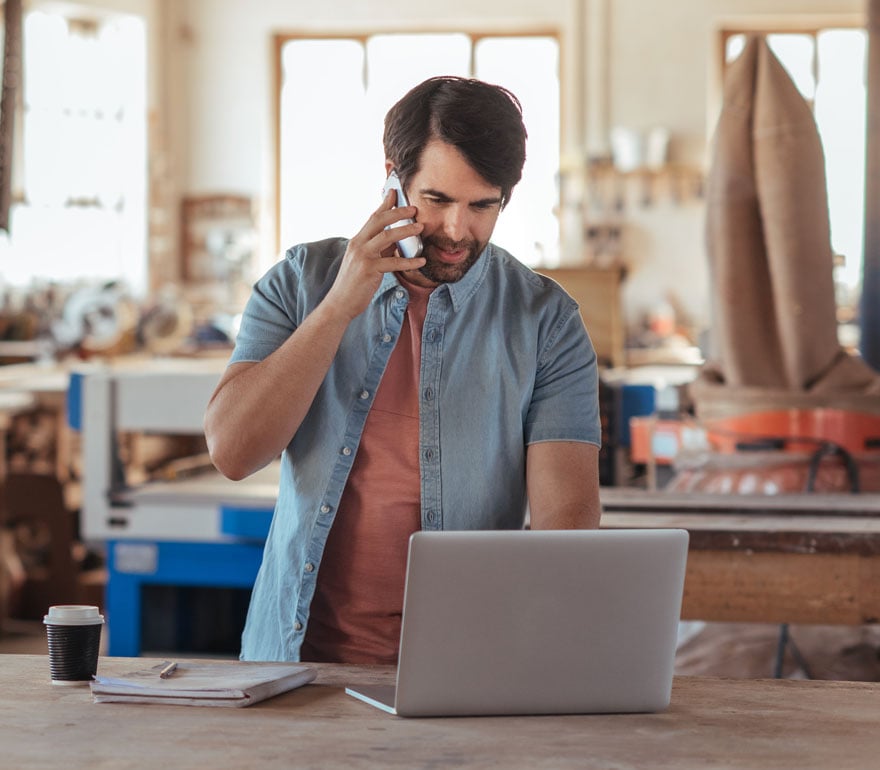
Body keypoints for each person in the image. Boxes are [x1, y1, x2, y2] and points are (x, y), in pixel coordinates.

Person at [204, 76, 602, 664]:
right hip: (294, 668)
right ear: (392, 176)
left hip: (463, 669)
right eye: (438, 200)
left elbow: (564, 522)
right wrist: (341, 303)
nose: (457, 230)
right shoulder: (299, 282)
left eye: (482, 205)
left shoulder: (546, 322)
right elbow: (233, 451)